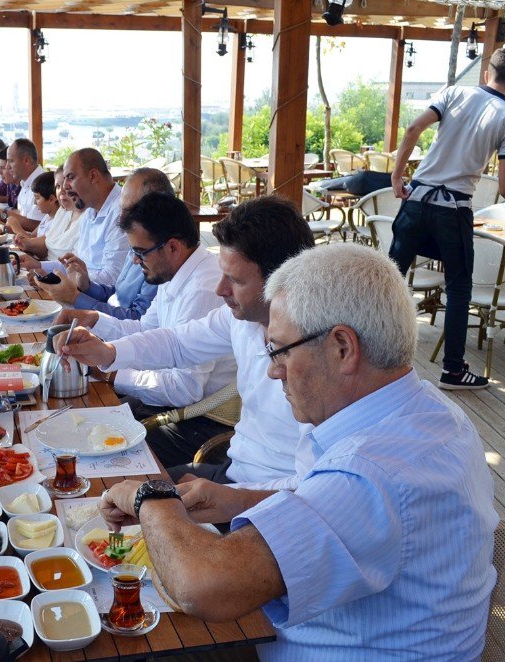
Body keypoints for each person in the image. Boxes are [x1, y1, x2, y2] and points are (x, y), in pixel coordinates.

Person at [96, 244, 499, 659]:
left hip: (300, 647)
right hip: (340, 630)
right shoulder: (425, 412)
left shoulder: (371, 473)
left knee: (120, 639)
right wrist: (235, 500)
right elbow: (319, 491)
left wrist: (150, 499)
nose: (273, 369)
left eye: (280, 349)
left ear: (342, 347)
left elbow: (207, 586)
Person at [56, 196, 314, 487]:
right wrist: (107, 353)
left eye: (235, 281)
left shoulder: (318, 356)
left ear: (281, 281)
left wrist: (232, 498)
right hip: (235, 468)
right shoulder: (242, 319)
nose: (220, 289)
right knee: (108, 486)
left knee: (110, 476)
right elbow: (176, 342)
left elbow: (313, 486)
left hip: (259, 490)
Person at [390, 47, 505, 391]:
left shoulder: (453, 93)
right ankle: (453, 370)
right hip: (452, 211)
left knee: (388, 279)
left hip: (416, 199)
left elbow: (413, 128)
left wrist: (396, 176)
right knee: (458, 287)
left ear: (487, 72)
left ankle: (362, 351)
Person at [55, 191, 235, 467]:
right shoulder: (177, 272)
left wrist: (111, 371)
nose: (135, 261)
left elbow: (184, 388)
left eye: (140, 252)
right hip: (174, 404)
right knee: (77, 416)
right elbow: (148, 330)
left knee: (90, 451)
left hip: (202, 421)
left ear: (173, 247)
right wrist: (95, 320)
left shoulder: (205, 286)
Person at [36, 168, 165, 320]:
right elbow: (116, 294)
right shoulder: (138, 243)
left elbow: (137, 319)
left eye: (129, 209)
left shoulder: (161, 255)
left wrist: (76, 298)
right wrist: (87, 286)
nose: (122, 216)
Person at [23, 148, 128, 289]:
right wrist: (40, 266)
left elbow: (113, 278)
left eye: (70, 177)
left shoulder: (121, 212)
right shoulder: (90, 211)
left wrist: (57, 278)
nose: (65, 187)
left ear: (93, 176)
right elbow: (75, 264)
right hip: (78, 294)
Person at [14, 166, 82, 261]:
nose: (62, 191)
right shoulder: (63, 212)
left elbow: (71, 265)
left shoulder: (87, 217)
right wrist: (26, 244)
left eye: (67, 185)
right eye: (58, 186)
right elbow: (46, 246)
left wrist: (14, 225)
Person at [2, 138, 46, 232]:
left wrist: (4, 214)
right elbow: (23, 214)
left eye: (11, 161)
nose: (7, 166)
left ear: (26, 160)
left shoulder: (43, 185)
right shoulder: (25, 183)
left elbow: (39, 225)